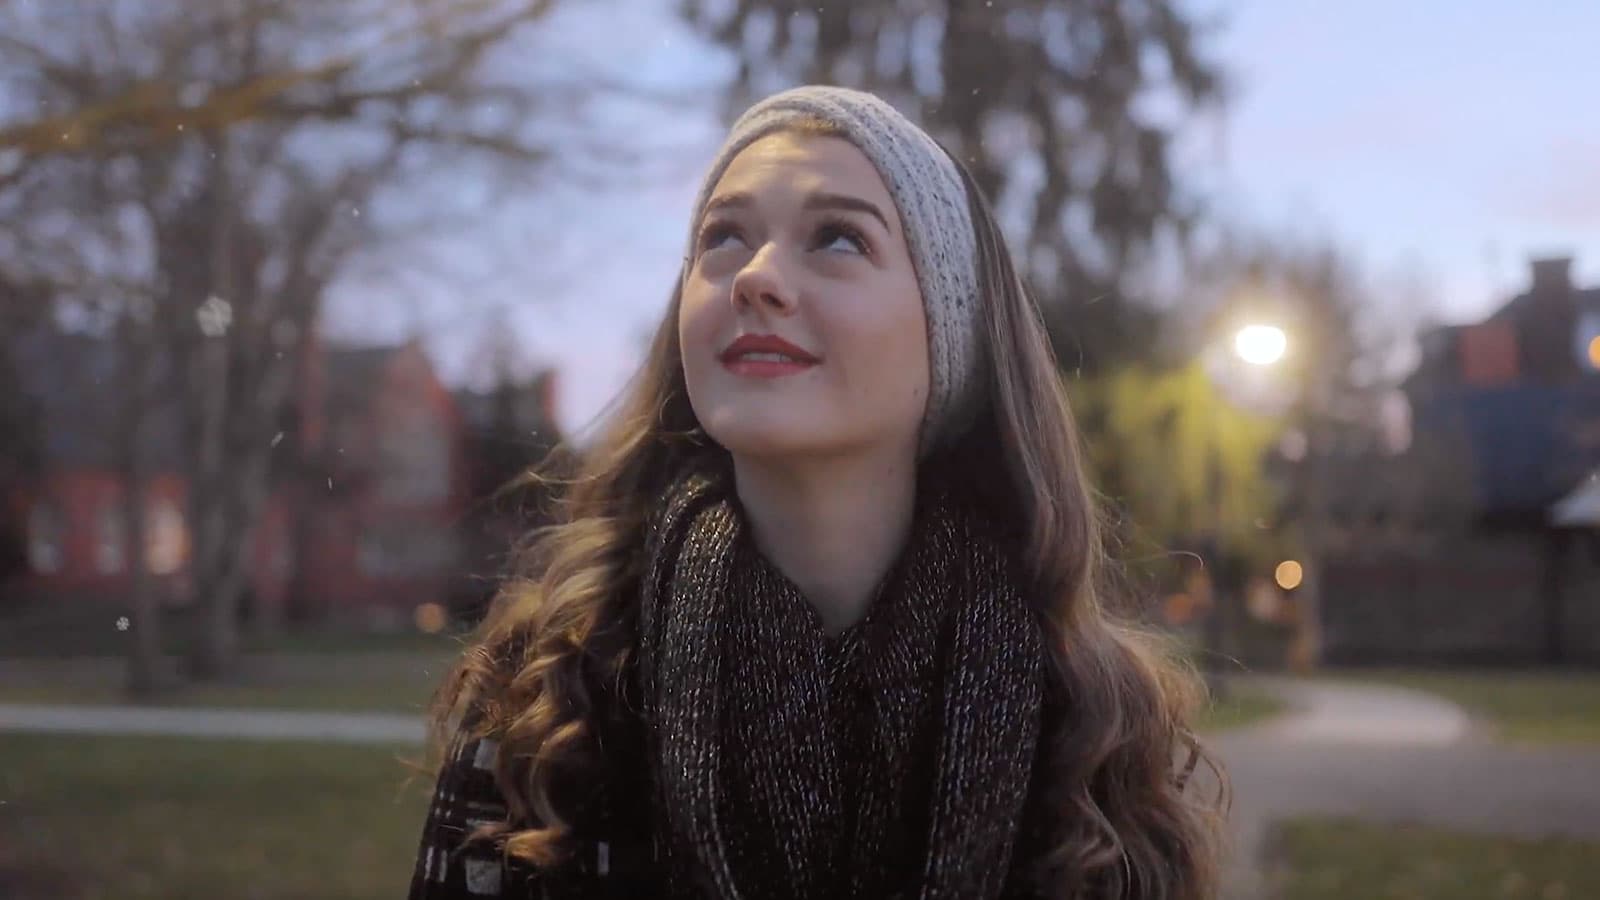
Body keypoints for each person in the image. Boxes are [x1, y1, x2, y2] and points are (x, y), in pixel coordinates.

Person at [407, 84, 1225, 900]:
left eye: (837, 238)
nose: (756, 277)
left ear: (955, 330)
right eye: (722, 237)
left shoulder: (1097, 729)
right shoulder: (548, 698)